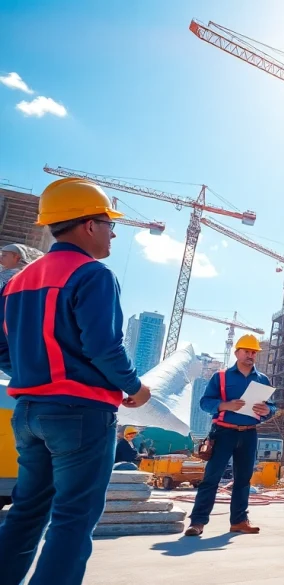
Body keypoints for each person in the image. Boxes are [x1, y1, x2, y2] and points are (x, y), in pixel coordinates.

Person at [0, 177, 151, 585]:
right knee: (73, 519)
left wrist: (35, 375)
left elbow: (2, 349)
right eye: (109, 224)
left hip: (28, 411)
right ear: (88, 225)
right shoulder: (93, 275)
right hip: (81, 412)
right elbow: (104, 348)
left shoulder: (16, 282)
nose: (113, 233)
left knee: (25, 512)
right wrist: (135, 388)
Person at [184, 334, 276, 537]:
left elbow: (272, 407)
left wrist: (267, 410)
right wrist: (225, 405)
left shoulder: (262, 380)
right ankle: (197, 522)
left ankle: (239, 521)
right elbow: (205, 402)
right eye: (247, 351)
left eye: (254, 352)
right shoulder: (221, 377)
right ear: (237, 353)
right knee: (212, 478)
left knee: (243, 479)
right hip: (223, 432)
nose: (251, 355)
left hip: (249, 434)